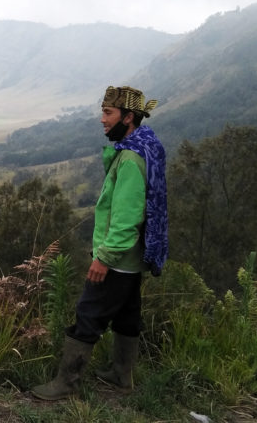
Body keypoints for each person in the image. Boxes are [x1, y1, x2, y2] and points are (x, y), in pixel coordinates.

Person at [32, 86, 168, 400]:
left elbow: (126, 218)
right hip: (133, 258)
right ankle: (121, 376)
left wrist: (103, 257)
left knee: (88, 313)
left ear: (128, 117)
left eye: (108, 113)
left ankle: (66, 383)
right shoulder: (142, 147)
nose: (102, 120)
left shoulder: (131, 159)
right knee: (127, 314)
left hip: (118, 258)